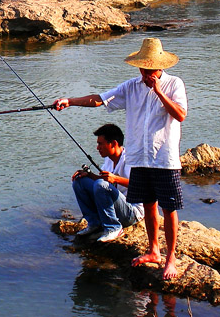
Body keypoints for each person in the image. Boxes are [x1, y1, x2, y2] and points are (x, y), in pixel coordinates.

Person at [53, 38, 187, 280]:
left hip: (164, 159)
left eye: (150, 69)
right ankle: (154, 250)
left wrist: (158, 91)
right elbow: (100, 99)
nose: (146, 74)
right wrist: (69, 101)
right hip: (139, 157)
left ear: (160, 68)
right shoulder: (131, 87)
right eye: (143, 69)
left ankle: (170, 258)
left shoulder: (174, 84)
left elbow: (180, 114)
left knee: (169, 209)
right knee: (148, 205)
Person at [72, 123, 144, 242]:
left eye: (100, 144)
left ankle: (114, 228)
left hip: (131, 211)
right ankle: (95, 224)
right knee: (79, 181)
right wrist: (89, 175)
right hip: (114, 204)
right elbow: (104, 183)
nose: (97, 148)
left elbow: (142, 186)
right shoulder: (108, 160)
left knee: (101, 185)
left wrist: (116, 179)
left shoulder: (131, 159)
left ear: (114, 144)